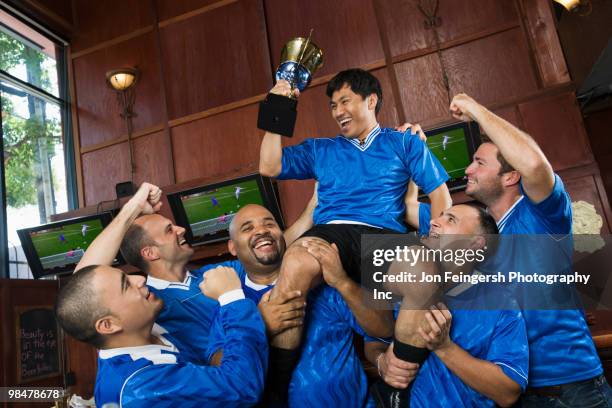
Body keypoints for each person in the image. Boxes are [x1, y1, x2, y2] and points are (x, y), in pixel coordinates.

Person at [417, 93, 612, 406]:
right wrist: (411, 151)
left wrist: (476, 109)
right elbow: (408, 211)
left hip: (571, 391)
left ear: (510, 175)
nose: (467, 169)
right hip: (510, 391)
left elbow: (534, 163)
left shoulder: (541, 215)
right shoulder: (470, 230)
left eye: (479, 162)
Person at [259, 68, 451, 375]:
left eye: (344, 101)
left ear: (371, 100)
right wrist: (277, 110)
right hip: (331, 232)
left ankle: (397, 376)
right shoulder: (321, 149)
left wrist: (438, 245)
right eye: (333, 105)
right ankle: (277, 387)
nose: (337, 111)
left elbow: (440, 196)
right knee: (295, 263)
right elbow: (269, 166)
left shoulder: (405, 142)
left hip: (383, 237)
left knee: (422, 269)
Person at [76, 182, 316, 367]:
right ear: (149, 252)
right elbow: (81, 286)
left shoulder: (217, 274)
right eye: (170, 230)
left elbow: (268, 246)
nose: (181, 229)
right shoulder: (149, 301)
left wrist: (313, 205)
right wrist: (134, 207)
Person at [201, 204, 393, 407]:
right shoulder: (231, 306)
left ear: (283, 236)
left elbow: (384, 329)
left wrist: (341, 281)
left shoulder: (326, 280)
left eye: (270, 224)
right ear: (232, 247)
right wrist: (259, 324)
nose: (262, 230)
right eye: (247, 228)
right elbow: (221, 368)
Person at [367, 203, 529, 407]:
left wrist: (444, 347)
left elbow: (508, 392)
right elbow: (373, 342)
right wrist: (381, 361)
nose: (433, 222)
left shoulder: (501, 304)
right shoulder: (401, 279)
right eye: (439, 216)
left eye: (450, 220)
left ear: (475, 244)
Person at [57, 261, 267, 407]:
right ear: (108, 325)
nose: (139, 279)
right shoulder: (141, 388)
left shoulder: (144, 330)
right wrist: (232, 298)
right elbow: (241, 386)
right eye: (126, 285)